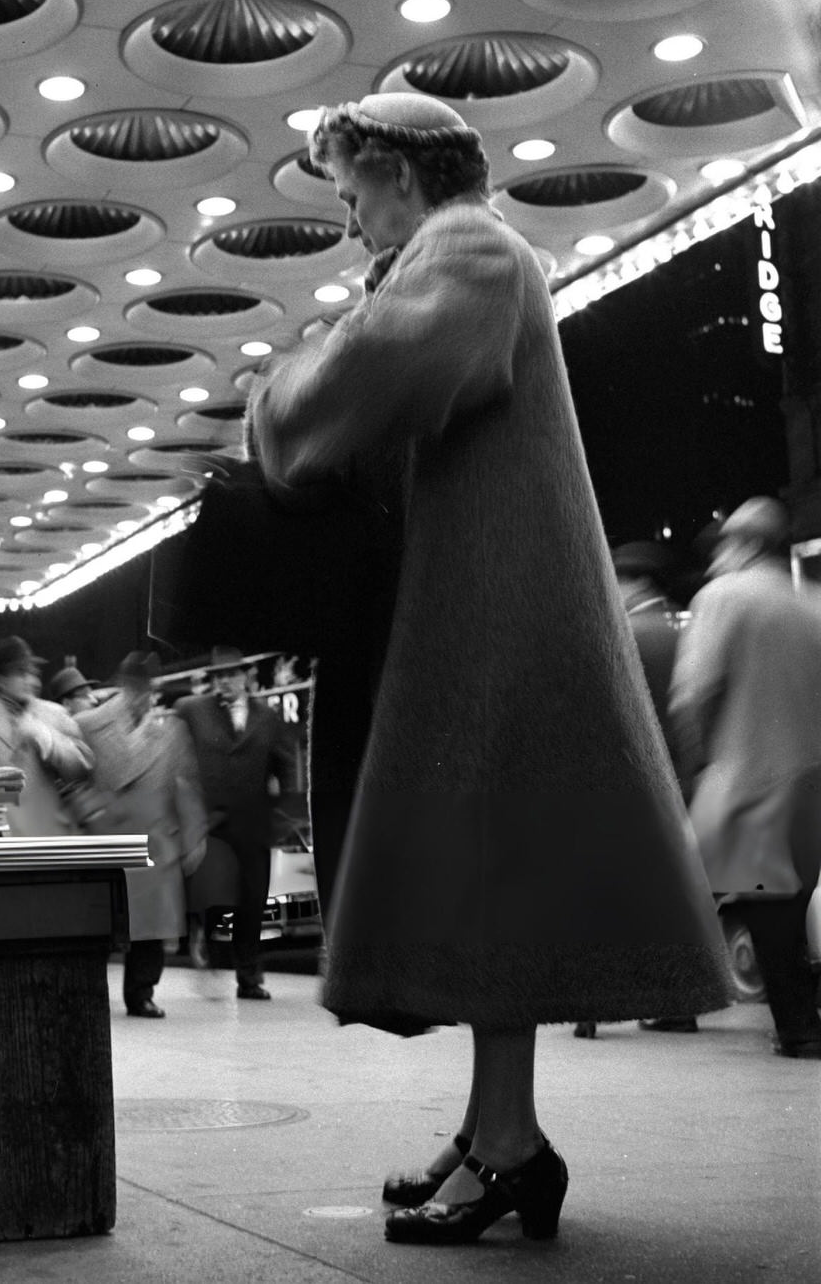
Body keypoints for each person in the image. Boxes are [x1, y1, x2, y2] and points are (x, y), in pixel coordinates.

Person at [247, 91, 731, 1244]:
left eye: (353, 190)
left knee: (488, 872)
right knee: (485, 874)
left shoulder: (465, 247)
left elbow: (372, 380)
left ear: (403, 174)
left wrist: (273, 401)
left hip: (492, 614)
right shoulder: (479, 256)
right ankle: (490, 1130)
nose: (350, 216)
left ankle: (508, 1145)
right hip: (487, 604)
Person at [670, 497, 821, 1059]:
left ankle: (673, 1002)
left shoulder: (724, 598)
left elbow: (692, 694)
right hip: (811, 786)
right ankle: (798, 1020)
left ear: (748, 544)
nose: (717, 557)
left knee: (690, 893)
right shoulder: (812, 605)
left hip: (747, 778)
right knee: (781, 908)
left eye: (727, 543)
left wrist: (693, 765)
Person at [576, 540, 689, 1038]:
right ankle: (677, 1004)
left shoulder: (622, 635)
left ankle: (592, 1003)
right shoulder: (679, 632)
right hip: (677, 785)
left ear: (633, 582)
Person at [75, 651, 207, 1018]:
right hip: (105, 836)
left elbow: (187, 784)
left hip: (155, 838)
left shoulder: (172, 729)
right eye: (135, 686)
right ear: (121, 685)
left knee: (149, 926)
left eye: (147, 688)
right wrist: (91, 813)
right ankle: (88, 990)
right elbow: (71, 781)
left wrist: (193, 836)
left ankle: (141, 992)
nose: (141, 695)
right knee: (100, 920)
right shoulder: (88, 724)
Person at [175, 646, 300, 1001]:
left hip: (253, 824)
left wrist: (280, 810)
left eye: (230, 675)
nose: (223, 682)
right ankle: (212, 958)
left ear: (245, 676)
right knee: (216, 899)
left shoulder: (268, 718)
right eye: (217, 676)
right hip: (211, 825)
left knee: (251, 901)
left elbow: (286, 766)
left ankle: (249, 977)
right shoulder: (192, 711)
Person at [0, 635, 93, 835]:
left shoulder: (55, 714)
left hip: (48, 840)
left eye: (33, 673)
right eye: (21, 673)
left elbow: (82, 770)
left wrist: (48, 741)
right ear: (1, 679)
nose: (31, 680)